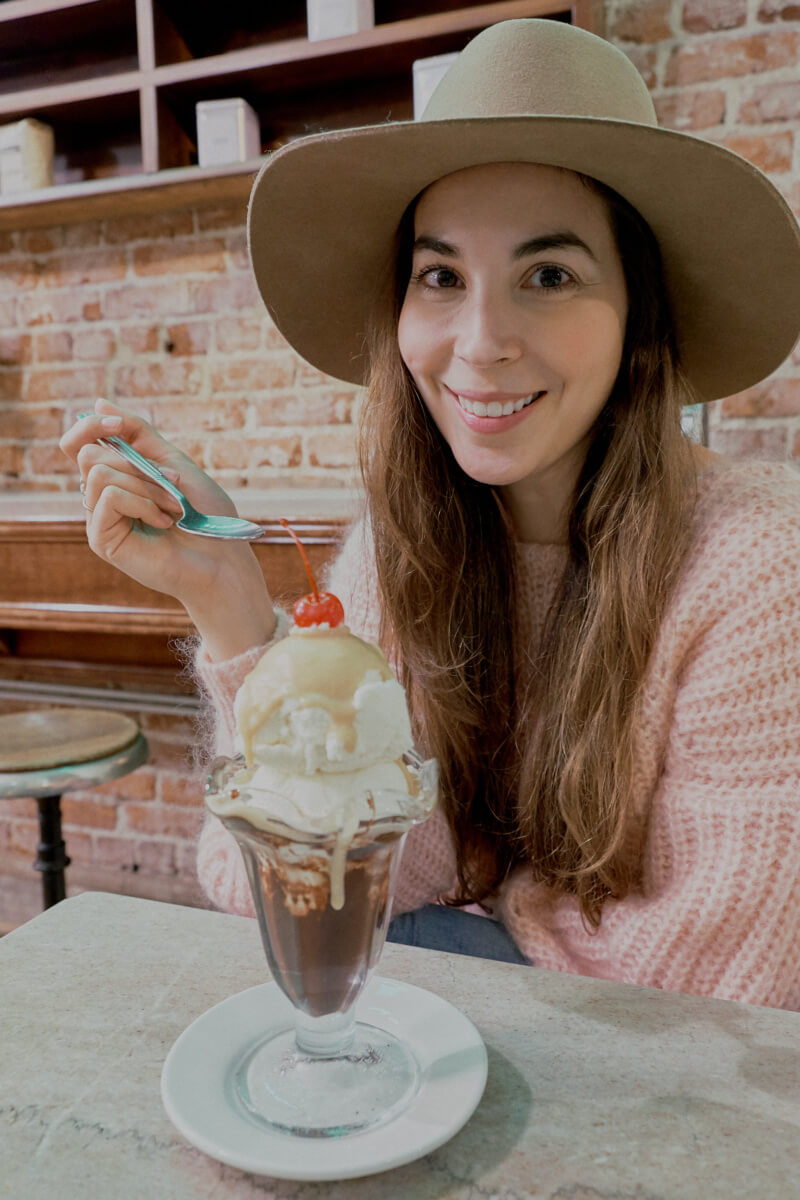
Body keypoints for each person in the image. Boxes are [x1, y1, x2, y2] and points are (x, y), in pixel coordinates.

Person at [60, 20, 800, 1007]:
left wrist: (485, 917)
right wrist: (232, 608)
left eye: (548, 274)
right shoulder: (399, 548)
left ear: (637, 322)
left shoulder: (754, 571)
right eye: (440, 276)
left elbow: (706, 994)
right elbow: (287, 883)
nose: (479, 341)